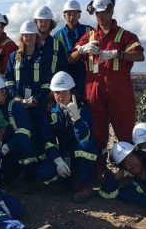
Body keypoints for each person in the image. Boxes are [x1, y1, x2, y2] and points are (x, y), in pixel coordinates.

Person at [72, 0, 145, 149]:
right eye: (98, 13)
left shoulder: (125, 35)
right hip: (94, 92)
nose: (100, 16)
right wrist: (81, 50)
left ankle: (127, 171)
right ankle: (99, 170)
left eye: (104, 12)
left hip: (119, 92)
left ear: (111, 11)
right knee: (96, 135)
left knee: (125, 133)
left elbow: (140, 56)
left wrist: (117, 53)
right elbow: (70, 59)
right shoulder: (88, 36)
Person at [38, 71, 100, 202]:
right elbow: (48, 140)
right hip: (63, 155)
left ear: (72, 92)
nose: (61, 96)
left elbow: (85, 138)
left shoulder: (83, 109)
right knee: (43, 172)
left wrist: (77, 119)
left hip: (79, 154)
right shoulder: (51, 112)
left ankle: (86, 185)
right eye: (57, 93)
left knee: (84, 147)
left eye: (64, 92)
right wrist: (57, 160)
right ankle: (67, 184)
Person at [5, 21, 51, 173]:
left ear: (36, 36)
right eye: (26, 35)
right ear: (22, 37)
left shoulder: (43, 57)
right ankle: (20, 172)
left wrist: (38, 98)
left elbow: (46, 83)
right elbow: (9, 80)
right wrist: (16, 97)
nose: (29, 38)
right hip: (19, 106)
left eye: (32, 35)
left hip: (37, 106)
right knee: (21, 136)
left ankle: (37, 173)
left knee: (38, 137)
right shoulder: (14, 57)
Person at [0, 75, 37, 191]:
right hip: (3, 152)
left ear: (4, 91)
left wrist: (7, 147)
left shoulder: (14, 107)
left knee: (27, 146)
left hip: (16, 150)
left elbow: (24, 133)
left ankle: (27, 180)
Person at [53, 0, 92, 94]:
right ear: (64, 16)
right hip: (66, 79)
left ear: (79, 15)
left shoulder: (89, 31)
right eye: (69, 14)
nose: (72, 17)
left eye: (75, 14)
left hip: (88, 78)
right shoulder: (57, 36)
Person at [34, 6, 67, 76]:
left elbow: (64, 70)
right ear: (36, 23)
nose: (43, 24)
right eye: (40, 21)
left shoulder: (58, 46)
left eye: (46, 21)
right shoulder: (29, 44)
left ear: (50, 23)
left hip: (52, 86)